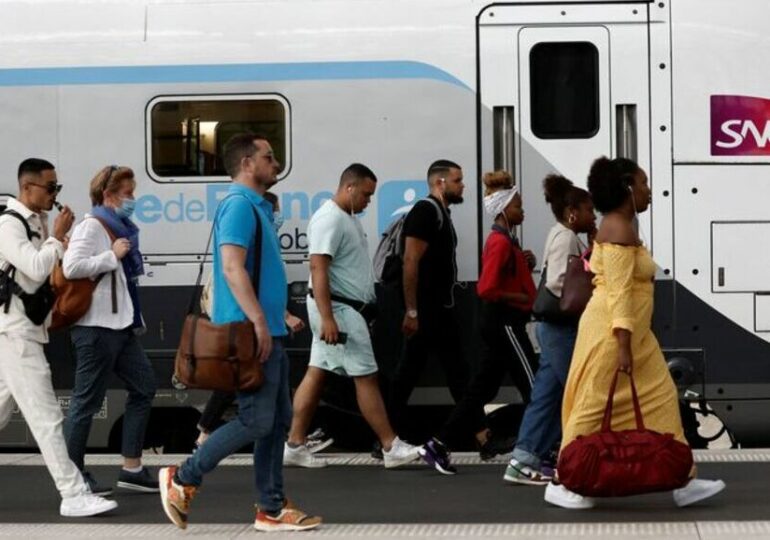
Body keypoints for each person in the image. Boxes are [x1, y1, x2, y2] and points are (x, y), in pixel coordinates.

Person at [159, 134, 321, 532]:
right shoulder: (238, 205)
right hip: (251, 335)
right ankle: (182, 478)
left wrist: (274, 317)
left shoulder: (256, 208)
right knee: (256, 421)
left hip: (267, 332)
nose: (276, 162)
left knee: (278, 419)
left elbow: (257, 274)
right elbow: (232, 268)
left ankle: (271, 507)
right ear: (248, 163)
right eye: (269, 156)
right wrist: (260, 323)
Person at [544, 156, 725, 509]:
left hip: (635, 336)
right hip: (612, 335)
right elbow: (620, 292)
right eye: (643, 183)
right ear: (628, 187)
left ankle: (682, 478)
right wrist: (623, 344)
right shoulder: (618, 228)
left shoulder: (623, 224)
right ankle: (563, 481)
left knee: (660, 399)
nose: (649, 191)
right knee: (592, 405)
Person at [0, 158, 117, 517]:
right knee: (47, 416)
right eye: (50, 188)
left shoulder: (38, 221)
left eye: (57, 188)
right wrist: (55, 238)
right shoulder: (8, 223)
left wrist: (57, 239)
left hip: (26, 328)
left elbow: (50, 270)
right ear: (27, 188)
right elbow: (35, 267)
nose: (55, 195)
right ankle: (73, 493)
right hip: (15, 332)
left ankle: (74, 492)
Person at [284, 164, 419, 469]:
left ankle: (294, 443)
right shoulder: (330, 220)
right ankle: (390, 445)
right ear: (349, 187)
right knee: (366, 377)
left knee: (317, 372)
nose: (369, 201)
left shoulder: (345, 218)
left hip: (341, 308)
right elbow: (318, 267)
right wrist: (328, 317)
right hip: (341, 310)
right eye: (367, 194)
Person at [419, 170, 539, 474]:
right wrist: (522, 298)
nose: (522, 210)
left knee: (479, 392)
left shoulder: (505, 240)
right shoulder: (500, 242)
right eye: (517, 206)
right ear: (502, 209)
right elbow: (487, 288)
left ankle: (437, 444)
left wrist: (524, 264)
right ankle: (540, 451)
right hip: (506, 323)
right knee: (536, 387)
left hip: (496, 324)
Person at [194, 191, 325, 451]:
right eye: (275, 211)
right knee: (251, 410)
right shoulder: (243, 215)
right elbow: (241, 277)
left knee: (272, 399)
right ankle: (194, 460)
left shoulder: (265, 234)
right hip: (245, 327)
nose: (277, 217)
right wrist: (265, 320)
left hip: (261, 327)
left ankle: (293, 442)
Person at [63, 165, 158, 496]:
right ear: (108, 195)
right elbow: (71, 267)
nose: (133, 199)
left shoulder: (121, 226)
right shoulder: (92, 227)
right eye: (128, 193)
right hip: (95, 329)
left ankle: (132, 468)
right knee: (85, 403)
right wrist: (110, 256)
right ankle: (73, 477)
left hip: (120, 327)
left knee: (145, 386)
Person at [504, 174, 595, 485]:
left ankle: (529, 457)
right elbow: (558, 282)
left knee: (548, 394)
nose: (592, 216)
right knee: (577, 392)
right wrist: (588, 281)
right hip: (560, 328)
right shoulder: (566, 237)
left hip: (554, 328)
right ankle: (540, 456)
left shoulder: (565, 234)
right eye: (588, 210)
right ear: (573, 212)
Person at [388, 160, 469, 439]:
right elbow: (410, 261)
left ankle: (481, 435)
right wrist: (412, 311)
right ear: (440, 182)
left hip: (440, 310)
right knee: (407, 375)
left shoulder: (442, 213)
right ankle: (386, 436)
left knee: (457, 371)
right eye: (457, 180)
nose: (462, 186)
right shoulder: (425, 211)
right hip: (426, 311)